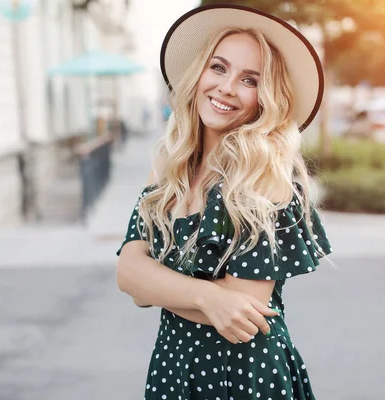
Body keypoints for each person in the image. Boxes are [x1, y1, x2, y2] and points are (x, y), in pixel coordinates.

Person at [116, 4, 332, 399]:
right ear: (198, 72)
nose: (227, 87)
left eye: (249, 79)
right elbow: (129, 276)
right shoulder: (168, 165)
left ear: (265, 98)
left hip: (244, 375)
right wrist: (208, 297)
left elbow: (241, 315)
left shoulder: (269, 181)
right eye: (218, 68)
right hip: (174, 368)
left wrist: (159, 286)